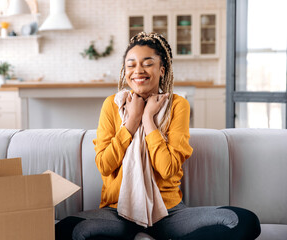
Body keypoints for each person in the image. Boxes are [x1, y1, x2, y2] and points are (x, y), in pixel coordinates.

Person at [55, 32, 261, 240]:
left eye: (147, 63)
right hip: (117, 212)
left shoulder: (177, 105)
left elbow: (168, 168)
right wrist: (131, 122)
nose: (138, 71)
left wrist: (148, 120)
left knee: (243, 221)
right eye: (131, 64)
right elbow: (105, 165)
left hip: (168, 213)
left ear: (162, 70)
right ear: (124, 71)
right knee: (67, 230)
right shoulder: (112, 105)